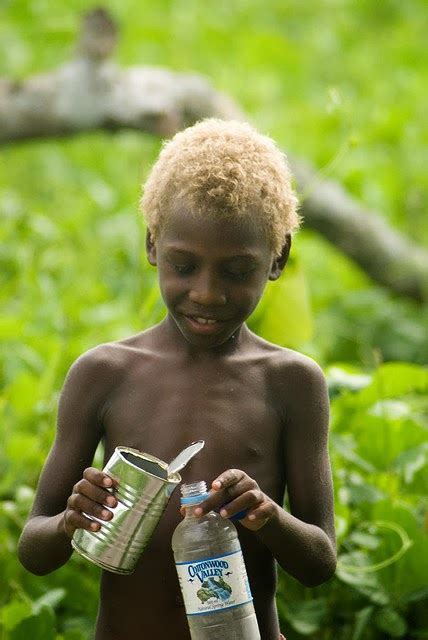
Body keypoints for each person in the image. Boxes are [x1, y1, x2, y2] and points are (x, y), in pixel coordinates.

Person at [18, 119, 336, 639]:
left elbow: (319, 561)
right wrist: (71, 519)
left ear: (277, 258)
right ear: (152, 247)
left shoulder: (291, 384)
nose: (208, 294)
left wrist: (268, 516)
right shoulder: (104, 374)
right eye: (184, 266)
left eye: (236, 271)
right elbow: (35, 549)